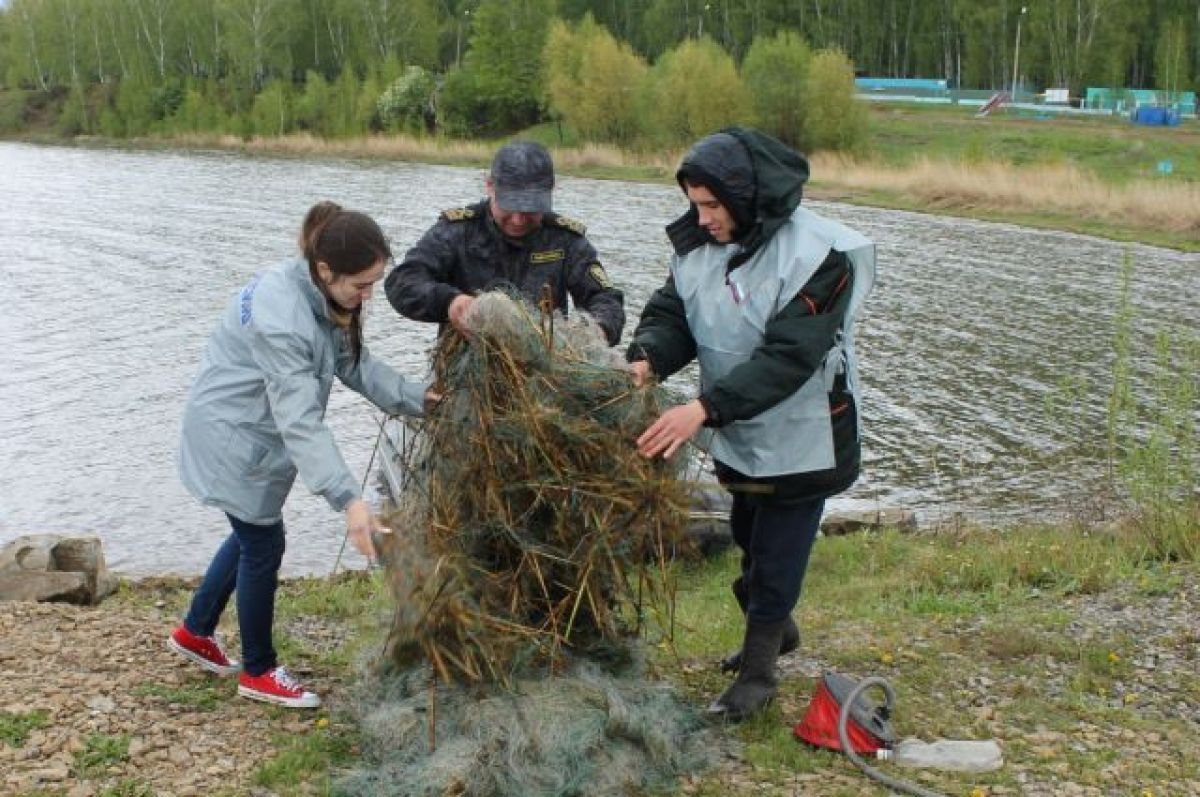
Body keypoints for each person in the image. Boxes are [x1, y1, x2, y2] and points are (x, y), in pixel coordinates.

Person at [627, 128, 876, 722]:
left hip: (805, 435)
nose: (702, 217)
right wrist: (648, 359)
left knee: (777, 555)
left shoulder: (821, 255)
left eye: (712, 205)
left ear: (744, 196)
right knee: (747, 536)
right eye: (695, 204)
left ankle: (758, 674)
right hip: (741, 428)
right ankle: (774, 628)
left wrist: (703, 410)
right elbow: (674, 314)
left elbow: (789, 357)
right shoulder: (698, 246)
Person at [168, 202, 433, 709]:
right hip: (234, 436)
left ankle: (195, 631)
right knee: (263, 542)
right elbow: (300, 421)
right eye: (362, 284)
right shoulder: (284, 317)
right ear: (326, 269)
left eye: (373, 283)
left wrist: (418, 399)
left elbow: (354, 365)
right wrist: (350, 501)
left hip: (247, 430)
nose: (367, 295)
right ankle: (260, 671)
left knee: (250, 530)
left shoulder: (319, 296)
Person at [384, 140, 625, 345]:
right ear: (490, 186)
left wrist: (596, 331)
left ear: (551, 191)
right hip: (467, 371)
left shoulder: (566, 240)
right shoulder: (457, 231)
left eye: (530, 209)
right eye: (509, 206)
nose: (518, 220)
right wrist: (450, 302)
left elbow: (606, 300)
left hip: (545, 373)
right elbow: (402, 282)